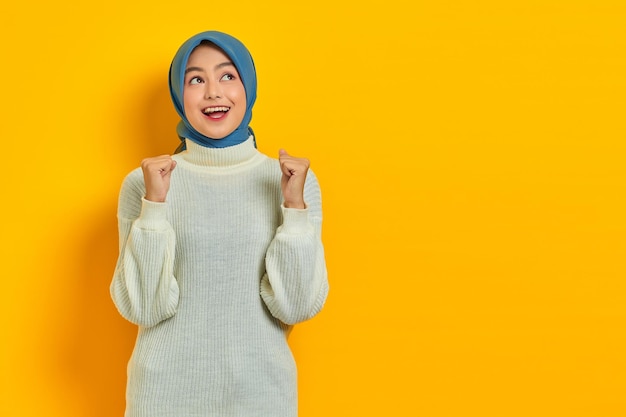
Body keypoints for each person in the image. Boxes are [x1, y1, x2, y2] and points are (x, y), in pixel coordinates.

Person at [110, 30, 329, 417]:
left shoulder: (291, 181)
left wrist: (293, 209)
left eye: (227, 76)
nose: (213, 92)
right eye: (196, 79)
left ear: (248, 86)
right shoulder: (144, 184)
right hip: (163, 398)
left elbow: (294, 306)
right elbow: (143, 307)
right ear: (180, 95)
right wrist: (156, 206)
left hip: (263, 397)